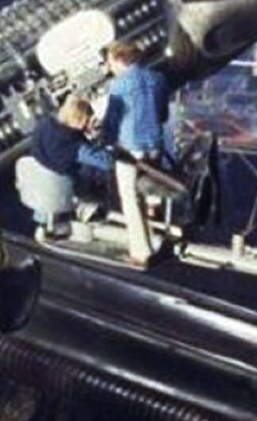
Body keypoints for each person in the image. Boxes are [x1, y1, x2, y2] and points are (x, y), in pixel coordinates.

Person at [98, 40, 172, 263]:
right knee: (150, 192)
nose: (109, 66)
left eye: (109, 61)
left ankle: (141, 252)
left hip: (130, 149)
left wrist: (105, 142)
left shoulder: (118, 85)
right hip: (154, 145)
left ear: (120, 59)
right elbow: (163, 114)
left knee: (130, 199)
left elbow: (112, 120)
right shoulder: (158, 79)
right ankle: (158, 232)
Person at [18, 95, 104, 241]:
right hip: (64, 187)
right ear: (78, 121)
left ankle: (42, 222)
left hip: (39, 182)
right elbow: (106, 161)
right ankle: (90, 211)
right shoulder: (72, 145)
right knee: (94, 171)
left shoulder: (44, 124)